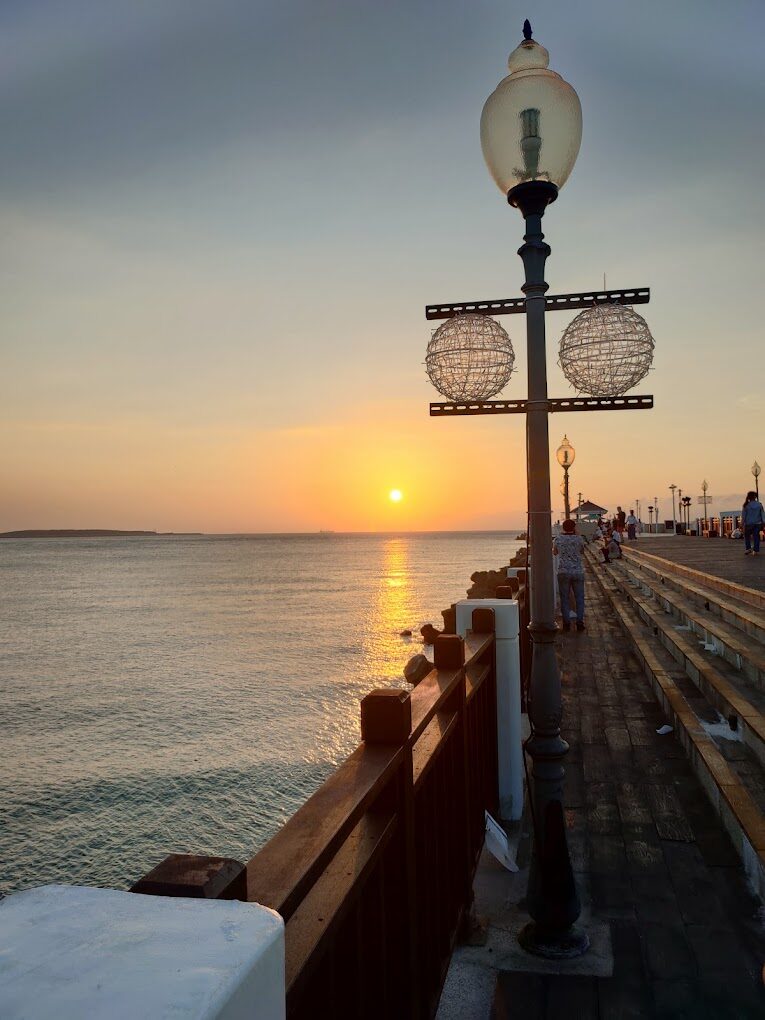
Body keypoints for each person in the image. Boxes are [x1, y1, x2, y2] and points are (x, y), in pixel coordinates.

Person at [553, 518, 586, 631]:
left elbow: (555, 552)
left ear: (563, 527)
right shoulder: (579, 539)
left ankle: (566, 623)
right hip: (577, 571)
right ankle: (580, 623)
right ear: (574, 527)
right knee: (579, 598)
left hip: (563, 571)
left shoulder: (558, 539)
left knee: (564, 598)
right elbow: (582, 551)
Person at [742, 490, 765, 555]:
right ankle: (755, 550)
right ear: (755, 497)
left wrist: (742, 523)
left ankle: (748, 548)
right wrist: (763, 522)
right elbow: (762, 514)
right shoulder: (759, 505)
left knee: (747, 536)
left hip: (748, 524)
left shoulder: (746, 505)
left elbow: (744, 516)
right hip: (757, 523)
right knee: (756, 536)